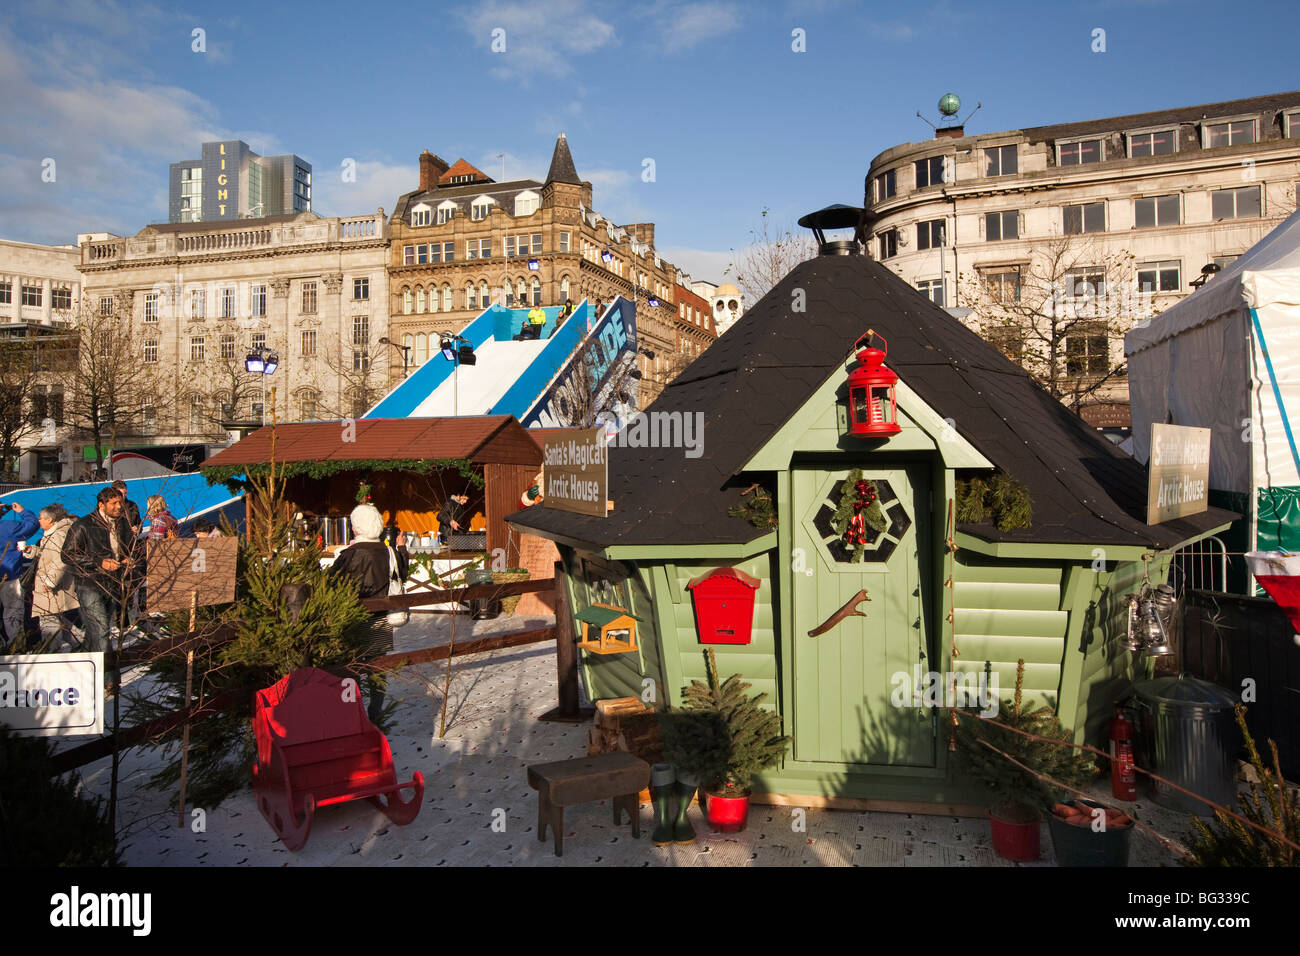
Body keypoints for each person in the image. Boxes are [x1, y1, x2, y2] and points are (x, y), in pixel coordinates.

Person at [329, 504, 409, 723]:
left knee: (351, 667)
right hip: (381, 618)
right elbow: (402, 574)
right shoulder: (388, 551)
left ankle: (351, 714)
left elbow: (328, 583)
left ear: (356, 529)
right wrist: (401, 548)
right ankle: (375, 715)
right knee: (377, 668)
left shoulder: (349, 554)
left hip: (352, 620)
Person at [62, 487, 134, 656]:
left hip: (112, 582)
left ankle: (85, 669)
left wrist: (126, 559)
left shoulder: (122, 522)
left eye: (121, 502)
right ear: (101, 505)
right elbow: (67, 554)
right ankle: (107, 679)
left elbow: (124, 547)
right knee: (102, 629)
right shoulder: (83, 525)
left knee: (95, 631)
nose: (119, 506)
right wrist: (99, 562)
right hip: (89, 583)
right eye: (114, 503)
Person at [31, 504, 81, 651]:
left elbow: (61, 559)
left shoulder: (58, 534)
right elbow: (48, 554)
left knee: (47, 619)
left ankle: (52, 650)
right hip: (51, 583)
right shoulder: (54, 533)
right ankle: (81, 640)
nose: (38, 520)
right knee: (54, 618)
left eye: (41, 518)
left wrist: (50, 581)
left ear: (50, 520)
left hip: (52, 585)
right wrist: (32, 551)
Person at [0, 502, 39, 650]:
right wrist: (22, 511)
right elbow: (32, 524)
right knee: (12, 612)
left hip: (8, 574)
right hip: (9, 575)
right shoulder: (8, 527)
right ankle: (15, 645)